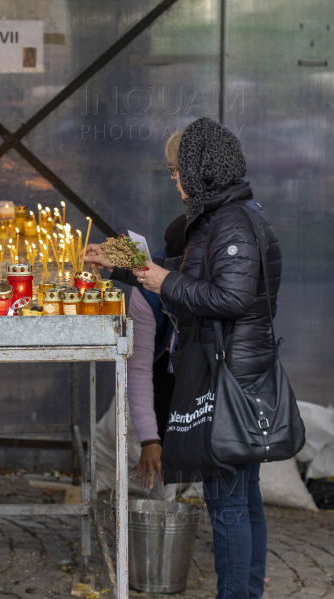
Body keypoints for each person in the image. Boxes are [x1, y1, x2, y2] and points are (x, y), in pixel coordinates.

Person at [87, 118, 280, 599]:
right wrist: (132, 268)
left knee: (228, 503)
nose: (174, 181)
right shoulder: (226, 216)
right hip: (239, 373)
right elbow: (190, 272)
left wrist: (162, 283)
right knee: (243, 496)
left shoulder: (230, 221)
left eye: (177, 171)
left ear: (201, 170)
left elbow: (230, 297)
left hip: (228, 379)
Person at [129, 215, 185, 492]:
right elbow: (138, 367)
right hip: (161, 365)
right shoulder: (146, 293)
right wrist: (150, 439)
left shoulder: (218, 282)